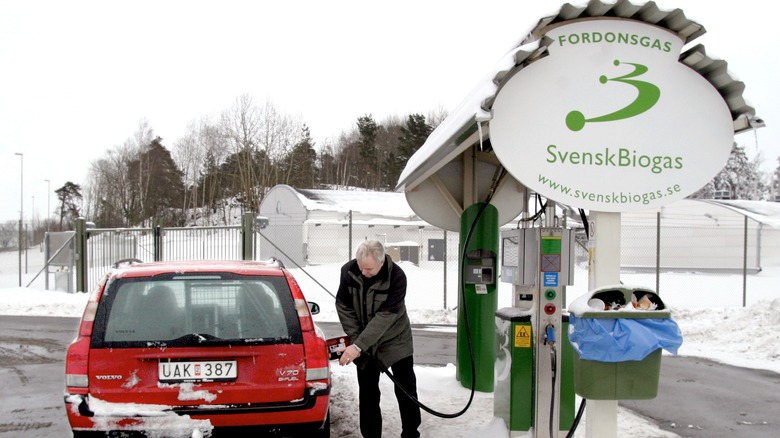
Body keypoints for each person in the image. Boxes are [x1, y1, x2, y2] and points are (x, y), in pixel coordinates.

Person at [336, 240, 421, 438]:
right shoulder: (348, 272)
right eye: (360, 266)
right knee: (368, 393)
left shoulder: (397, 277)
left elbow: (386, 316)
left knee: (405, 388)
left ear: (381, 263)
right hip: (364, 341)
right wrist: (358, 341)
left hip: (395, 339)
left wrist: (357, 345)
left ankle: (410, 432)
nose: (363, 272)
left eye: (369, 269)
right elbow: (344, 307)